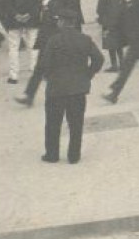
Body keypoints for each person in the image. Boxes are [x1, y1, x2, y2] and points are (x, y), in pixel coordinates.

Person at [34, 12, 105, 164]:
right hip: (78, 89)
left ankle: (52, 154)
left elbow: (44, 64)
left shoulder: (54, 41)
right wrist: (88, 74)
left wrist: (49, 76)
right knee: (76, 123)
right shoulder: (85, 39)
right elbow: (99, 59)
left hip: (56, 88)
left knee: (53, 123)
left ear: (62, 22)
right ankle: (74, 155)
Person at [0, 0, 42, 85]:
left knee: (13, 48)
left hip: (14, 21)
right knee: (33, 46)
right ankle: (35, 71)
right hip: (32, 20)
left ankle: (14, 75)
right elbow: (39, 3)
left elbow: (5, 3)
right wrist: (29, 14)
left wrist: (16, 15)